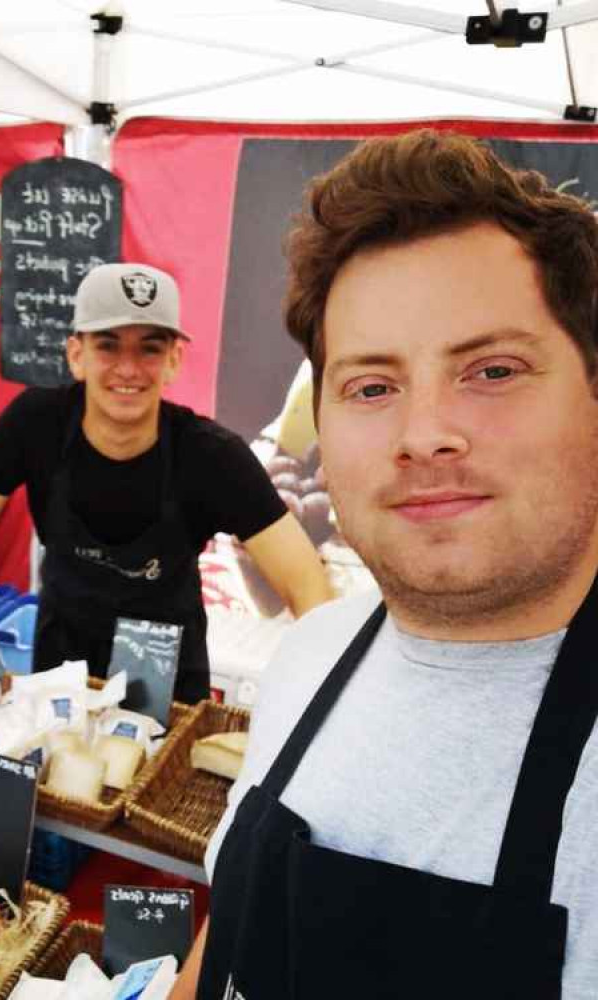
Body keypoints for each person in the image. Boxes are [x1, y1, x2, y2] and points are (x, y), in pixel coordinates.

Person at [171, 130, 598, 1000]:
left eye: (492, 369)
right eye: (372, 386)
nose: (423, 434)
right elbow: (227, 942)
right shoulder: (312, 653)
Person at [0, 261, 333, 730]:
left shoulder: (212, 455)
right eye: (109, 346)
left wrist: (308, 717)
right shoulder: (34, 424)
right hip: (57, 677)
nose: (128, 368)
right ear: (76, 354)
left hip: (168, 687)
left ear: (174, 360)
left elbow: (305, 582)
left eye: (149, 348)